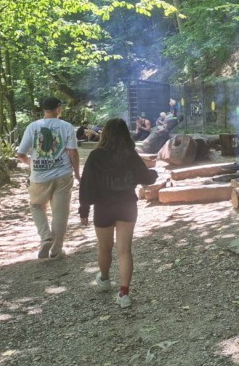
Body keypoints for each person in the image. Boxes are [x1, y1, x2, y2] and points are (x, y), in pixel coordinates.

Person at [78, 118, 158, 308]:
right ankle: (124, 294)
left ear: (105, 134)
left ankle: (104, 279)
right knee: (124, 251)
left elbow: (86, 184)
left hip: (103, 207)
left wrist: (84, 209)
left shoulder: (96, 155)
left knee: (104, 248)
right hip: (127, 206)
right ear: (125, 134)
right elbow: (146, 176)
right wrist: (154, 175)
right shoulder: (130, 154)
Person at [16, 97, 80, 260]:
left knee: (37, 206)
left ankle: (46, 237)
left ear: (43, 109)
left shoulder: (33, 127)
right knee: (60, 213)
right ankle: (56, 250)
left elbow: (20, 154)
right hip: (63, 174)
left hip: (39, 175)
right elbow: (73, 152)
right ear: (58, 108)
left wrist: (33, 163)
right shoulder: (66, 126)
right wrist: (78, 173)